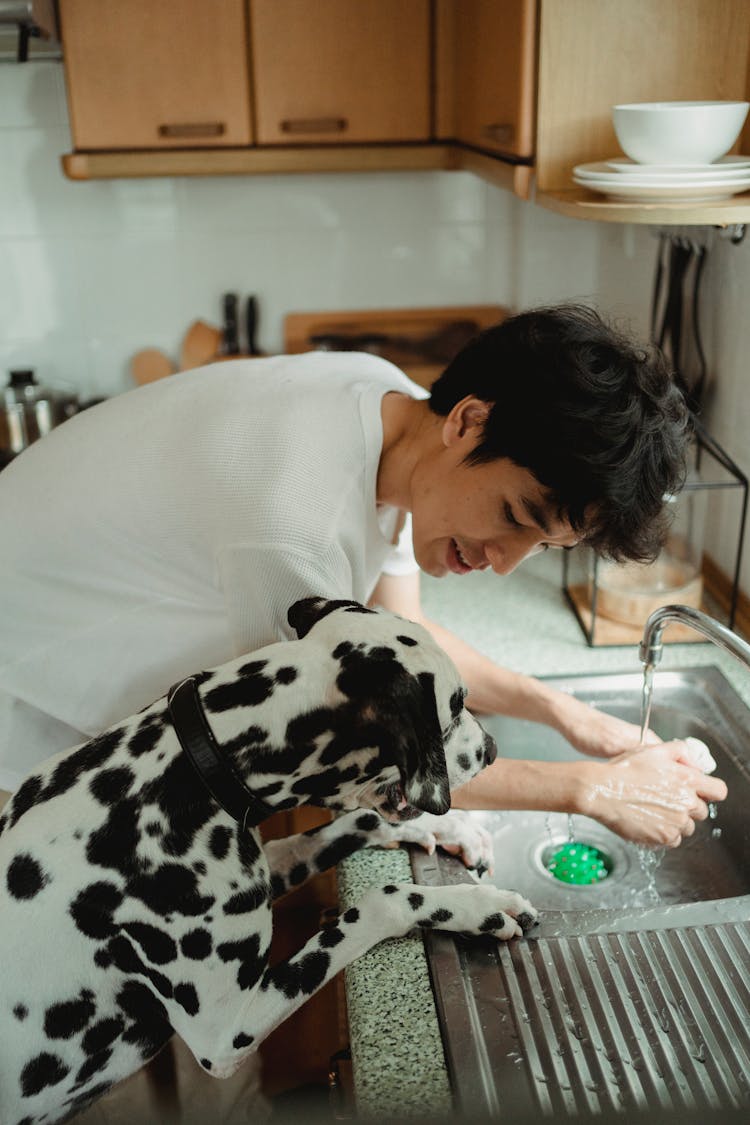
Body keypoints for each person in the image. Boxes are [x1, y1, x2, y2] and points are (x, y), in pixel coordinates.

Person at [0, 303, 726, 851]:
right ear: (468, 422)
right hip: (21, 722)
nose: (504, 560)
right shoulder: (293, 525)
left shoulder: (389, 404)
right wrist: (589, 789)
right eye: (512, 514)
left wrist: (567, 714)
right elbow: (358, 745)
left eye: (541, 545)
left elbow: (399, 637)